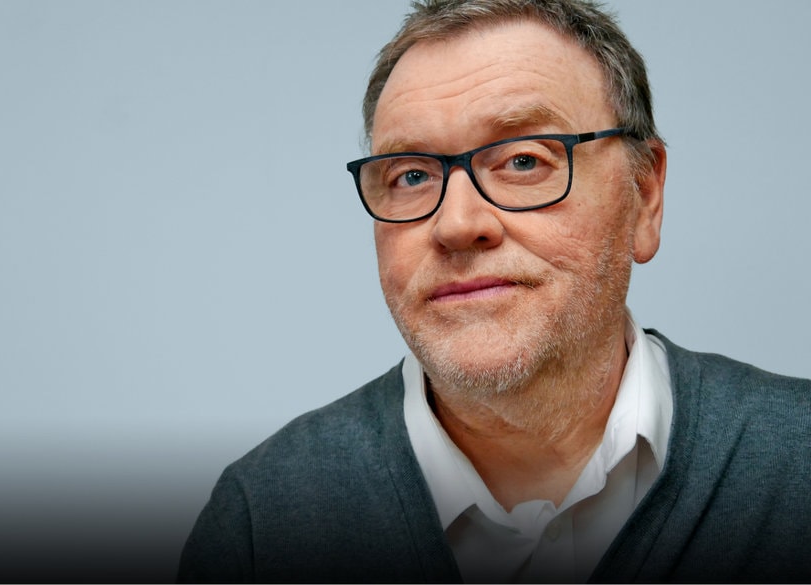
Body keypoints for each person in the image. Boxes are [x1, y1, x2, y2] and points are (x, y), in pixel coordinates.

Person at [178, 0, 811, 582]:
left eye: (524, 160)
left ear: (644, 197)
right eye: (412, 175)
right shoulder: (262, 524)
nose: (456, 224)